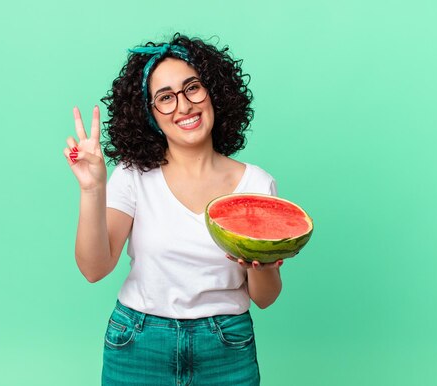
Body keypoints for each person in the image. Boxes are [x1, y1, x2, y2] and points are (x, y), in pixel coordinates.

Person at [63, 33, 284, 386]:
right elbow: (94, 269)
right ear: (149, 114)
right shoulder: (133, 176)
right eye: (165, 98)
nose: (183, 106)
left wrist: (264, 265)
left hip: (226, 345)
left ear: (213, 91)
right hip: (138, 342)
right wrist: (92, 188)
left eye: (192, 88)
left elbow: (265, 298)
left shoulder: (256, 184)